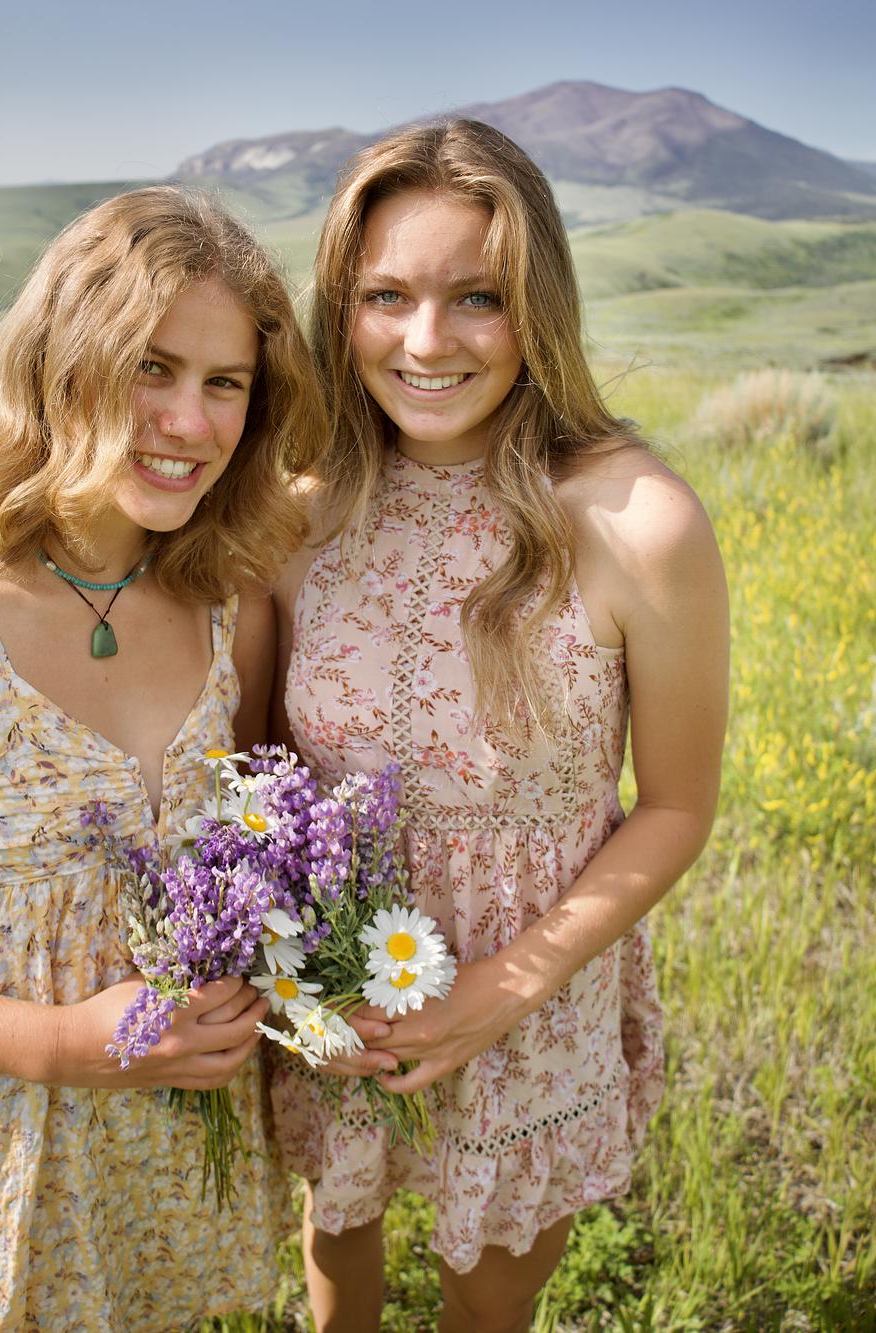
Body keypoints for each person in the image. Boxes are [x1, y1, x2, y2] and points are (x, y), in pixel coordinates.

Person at [269, 121, 729, 1333]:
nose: (426, 342)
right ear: (341, 308)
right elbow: (263, 770)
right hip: (343, 984)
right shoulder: (299, 516)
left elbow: (676, 806)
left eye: (476, 296)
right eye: (385, 296)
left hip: (537, 994)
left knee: (489, 1300)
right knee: (339, 1238)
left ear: (538, 306)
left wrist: (506, 986)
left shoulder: (637, 522)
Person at [0, 186, 324, 1331]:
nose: (188, 422)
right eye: (150, 368)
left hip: (172, 1165)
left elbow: (256, 863)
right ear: (60, 366)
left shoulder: (231, 608)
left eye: (225, 383)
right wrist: (62, 1045)